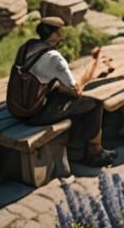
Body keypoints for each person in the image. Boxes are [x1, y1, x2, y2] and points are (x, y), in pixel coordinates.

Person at [22, 16, 115, 166]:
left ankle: (76, 148)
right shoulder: (55, 58)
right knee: (94, 104)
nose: (63, 34)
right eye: (61, 31)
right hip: (36, 114)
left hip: (20, 108)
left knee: (70, 100)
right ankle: (95, 152)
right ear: (54, 35)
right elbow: (76, 91)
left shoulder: (28, 47)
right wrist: (92, 67)